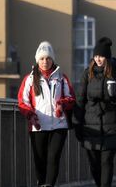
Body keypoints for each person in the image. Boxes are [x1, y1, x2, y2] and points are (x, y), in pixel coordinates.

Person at [73, 37, 116, 187]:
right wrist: (77, 124)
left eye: (102, 56)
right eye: (96, 56)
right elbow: (80, 100)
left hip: (111, 126)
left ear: (107, 57)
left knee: (106, 162)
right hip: (90, 126)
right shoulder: (87, 74)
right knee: (94, 164)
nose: (99, 59)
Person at [17, 41, 76, 187]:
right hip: (38, 125)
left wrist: (62, 104)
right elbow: (22, 101)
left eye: (48, 58)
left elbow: (71, 98)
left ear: (53, 60)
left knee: (53, 157)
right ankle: (42, 182)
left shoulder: (62, 78)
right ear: (37, 60)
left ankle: (49, 185)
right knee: (40, 159)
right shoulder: (29, 79)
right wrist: (30, 114)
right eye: (42, 59)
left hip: (58, 124)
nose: (45, 62)